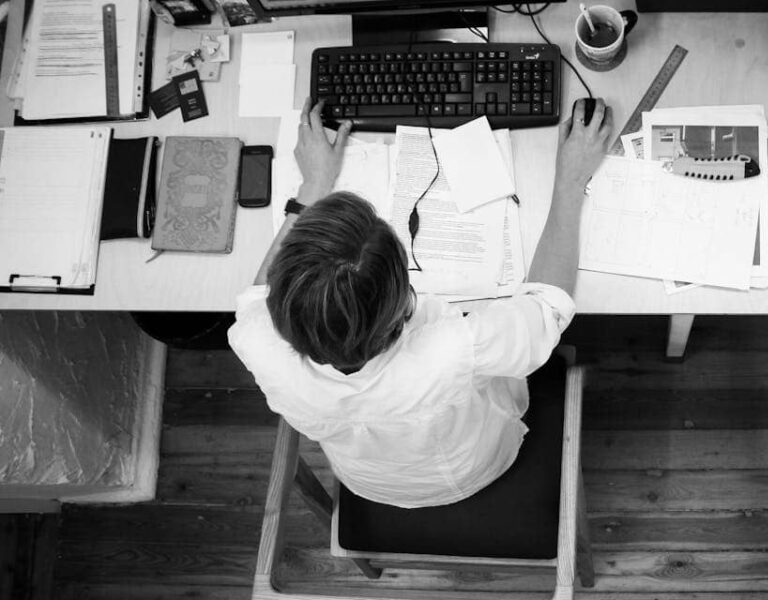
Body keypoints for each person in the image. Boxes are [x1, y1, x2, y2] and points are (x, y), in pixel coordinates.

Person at [228, 97, 613, 508]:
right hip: (475, 468)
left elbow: (256, 295)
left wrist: (312, 186)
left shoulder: (255, 342)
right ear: (402, 300)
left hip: (366, 481)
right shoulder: (451, 351)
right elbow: (548, 306)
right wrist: (571, 179)